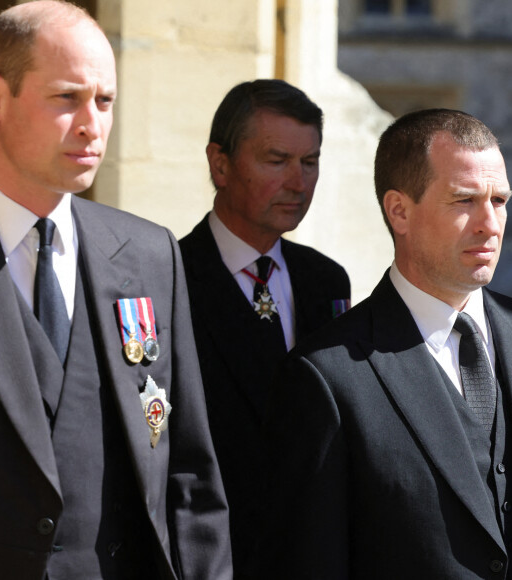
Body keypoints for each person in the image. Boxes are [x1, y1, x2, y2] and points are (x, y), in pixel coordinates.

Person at [0, 2, 232, 579]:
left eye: (105, 102)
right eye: (67, 98)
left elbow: (189, 474)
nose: (91, 125)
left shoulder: (150, 255)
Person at [260, 108, 512, 579]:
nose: (490, 223)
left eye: (499, 200)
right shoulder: (327, 377)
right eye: (464, 200)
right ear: (399, 210)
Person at [178, 79, 350, 578]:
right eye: (276, 160)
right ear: (220, 164)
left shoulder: (325, 279)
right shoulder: (168, 275)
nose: (298, 182)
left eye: (310, 162)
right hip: (214, 555)